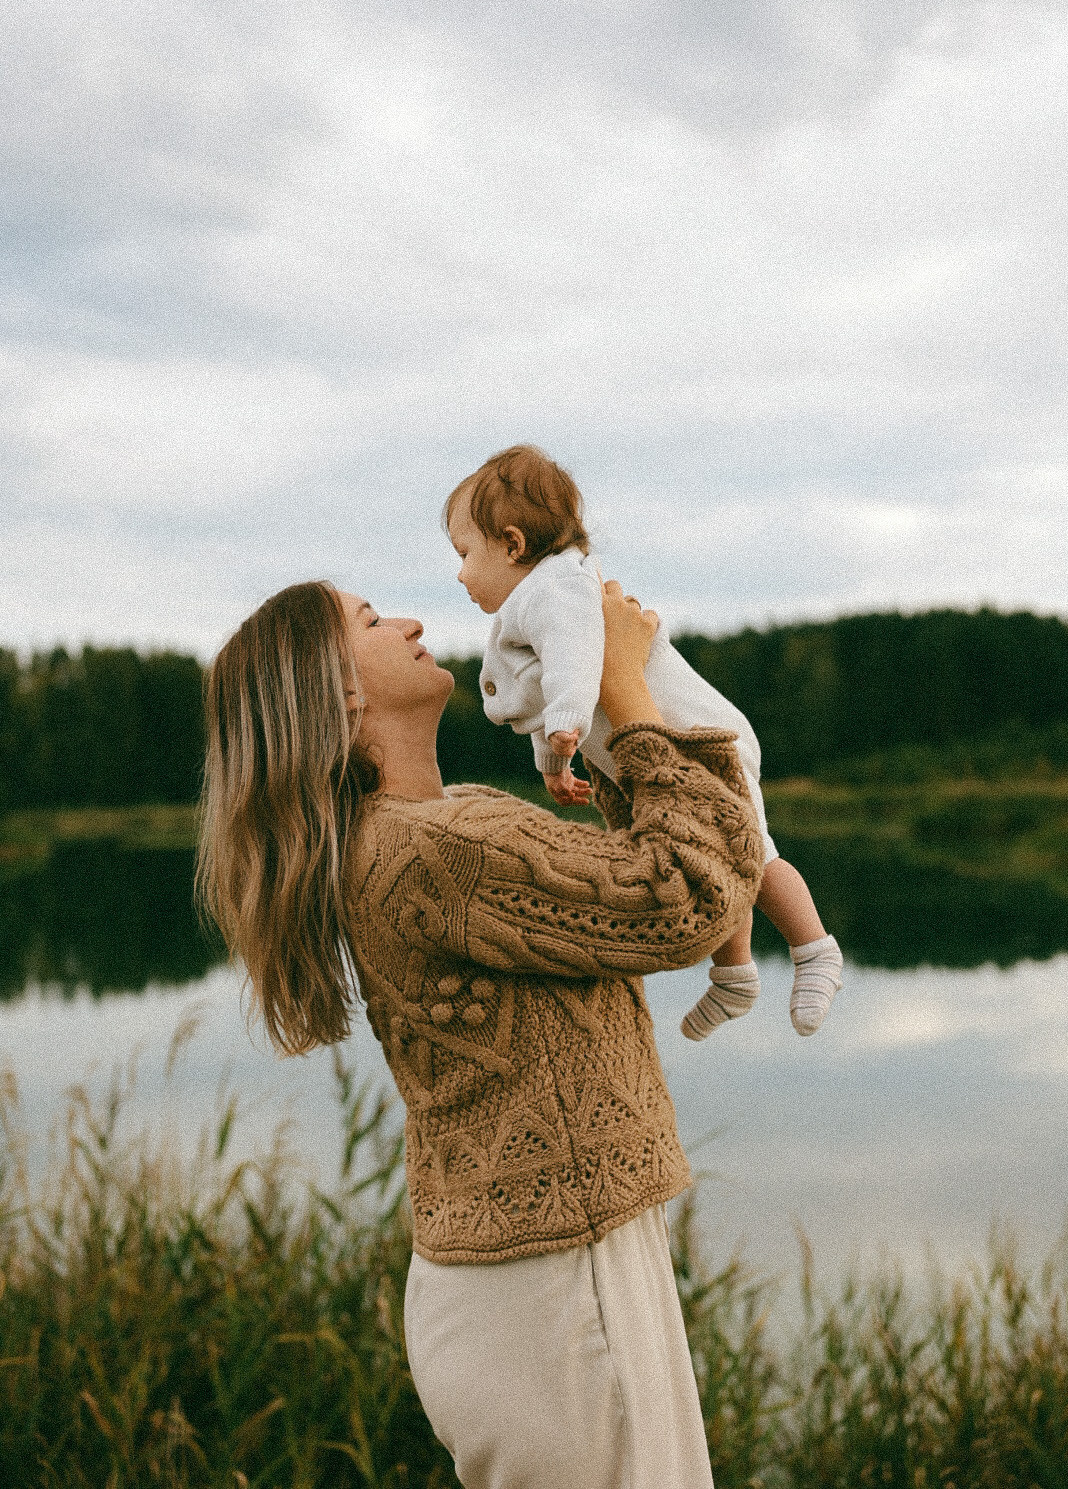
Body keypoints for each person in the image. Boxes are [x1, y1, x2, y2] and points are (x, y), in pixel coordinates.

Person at [196, 575, 765, 1489]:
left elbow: (636, 880)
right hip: (553, 1290)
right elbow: (686, 897)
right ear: (338, 692)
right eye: (371, 621)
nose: (411, 621)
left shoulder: (436, 827)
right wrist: (624, 687)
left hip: (543, 1278)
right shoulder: (431, 850)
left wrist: (612, 703)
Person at [443, 444, 843, 1040]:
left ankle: (814, 950)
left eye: (465, 553)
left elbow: (573, 668)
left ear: (512, 544)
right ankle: (734, 974)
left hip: (704, 744)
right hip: (654, 755)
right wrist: (556, 758)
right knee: (724, 864)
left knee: (751, 855)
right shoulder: (534, 604)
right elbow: (545, 688)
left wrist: (565, 729)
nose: (460, 573)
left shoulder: (557, 590)